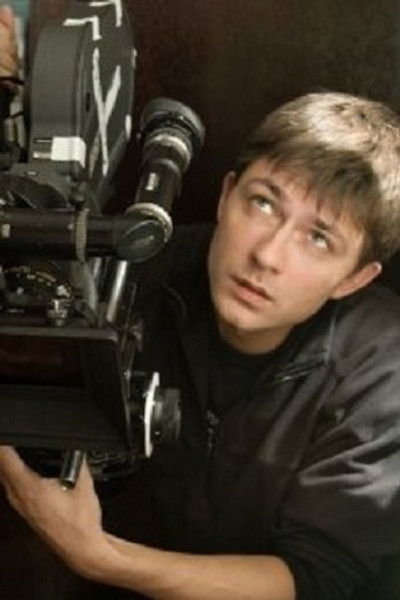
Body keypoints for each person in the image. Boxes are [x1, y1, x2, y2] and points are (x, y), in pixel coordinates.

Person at [1, 90, 400, 600]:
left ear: (354, 278)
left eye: (318, 238)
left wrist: (98, 556)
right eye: (263, 203)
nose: (267, 255)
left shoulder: (382, 369)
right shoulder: (139, 271)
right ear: (226, 196)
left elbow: (316, 577)